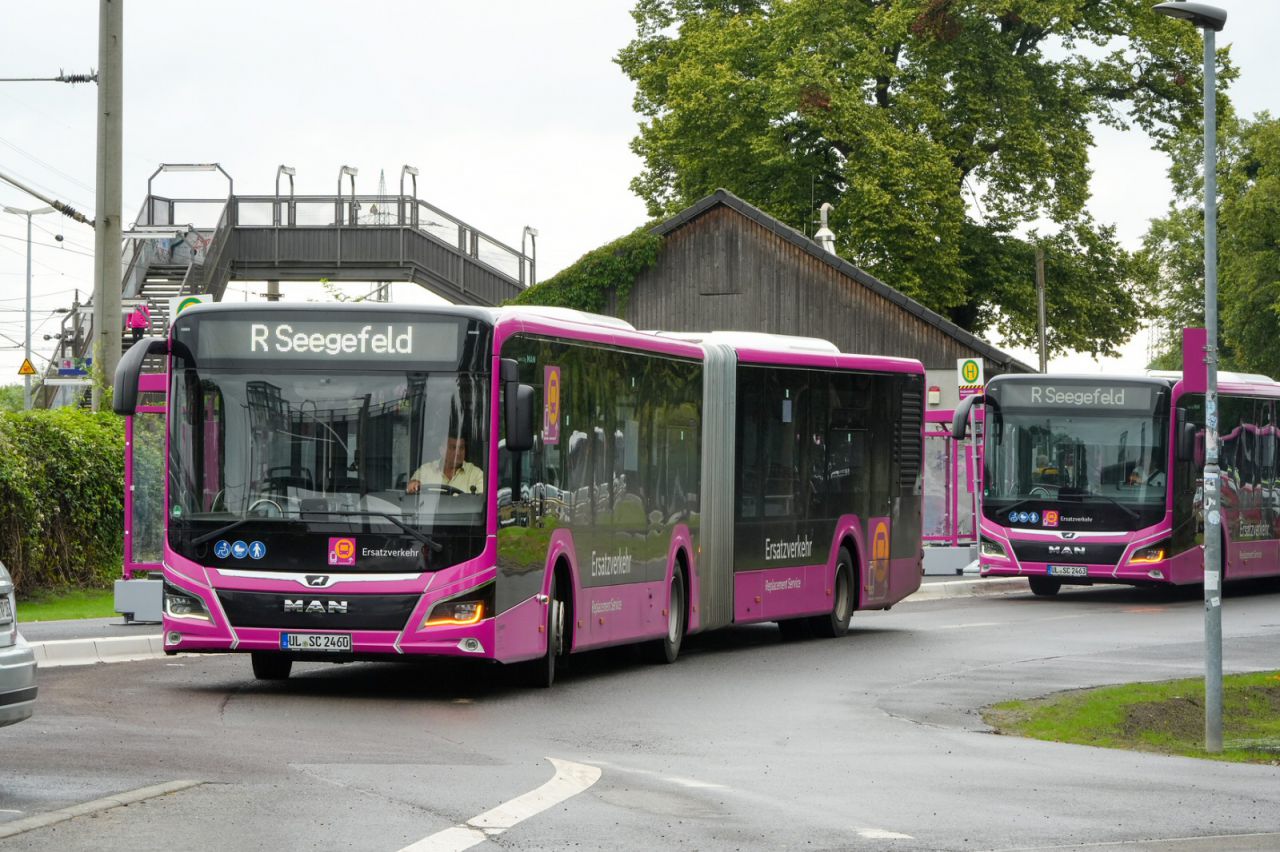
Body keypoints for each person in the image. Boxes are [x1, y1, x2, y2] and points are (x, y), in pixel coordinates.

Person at [407, 433, 484, 495]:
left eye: (461, 448)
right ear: (441, 451)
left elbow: (484, 502)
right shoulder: (426, 470)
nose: (458, 453)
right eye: (453, 448)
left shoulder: (475, 474)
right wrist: (414, 484)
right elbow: (411, 487)